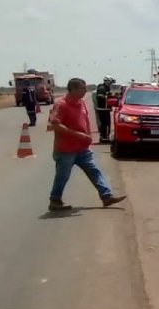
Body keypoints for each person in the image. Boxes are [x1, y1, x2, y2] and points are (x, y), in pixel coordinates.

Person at [47, 77, 127, 211]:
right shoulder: (61, 105)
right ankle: (55, 200)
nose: (85, 91)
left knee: (95, 171)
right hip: (66, 149)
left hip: (83, 148)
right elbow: (55, 125)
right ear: (73, 89)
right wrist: (78, 135)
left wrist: (88, 136)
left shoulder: (82, 103)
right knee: (62, 176)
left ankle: (106, 196)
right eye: (82, 88)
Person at [93, 77, 113, 143]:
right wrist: (107, 97)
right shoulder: (102, 88)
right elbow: (100, 96)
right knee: (104, 123)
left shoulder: (106, 88)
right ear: (107, 81)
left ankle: (105, 136)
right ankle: (103, 137)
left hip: (105, 108)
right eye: (110, 82)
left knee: (107, 123)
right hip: (102, 108)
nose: (111, 84)